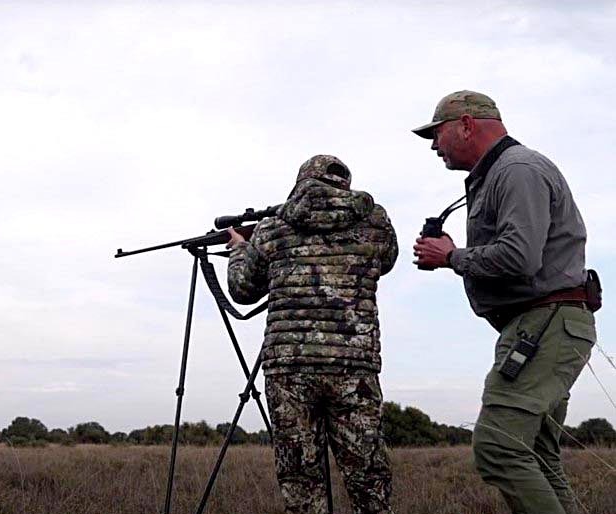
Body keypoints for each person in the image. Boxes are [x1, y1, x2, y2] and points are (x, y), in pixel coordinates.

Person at [412, 90, 596, 514]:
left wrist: (452, 257)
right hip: (542, 326)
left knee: (499, 446)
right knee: (536, 455)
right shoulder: (503, 173)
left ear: (466, 125)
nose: (435, 147)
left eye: (436, 135)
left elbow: (520, 255)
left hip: (545, 326)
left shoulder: (516, 170)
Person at [227, 155, 397, 514]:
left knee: (301, 483)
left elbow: (243, 289)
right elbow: (388, 260)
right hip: (354, 367)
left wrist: (240, 249)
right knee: (369, 480)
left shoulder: (272, 228)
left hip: (289, 369)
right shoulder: (376, 223)